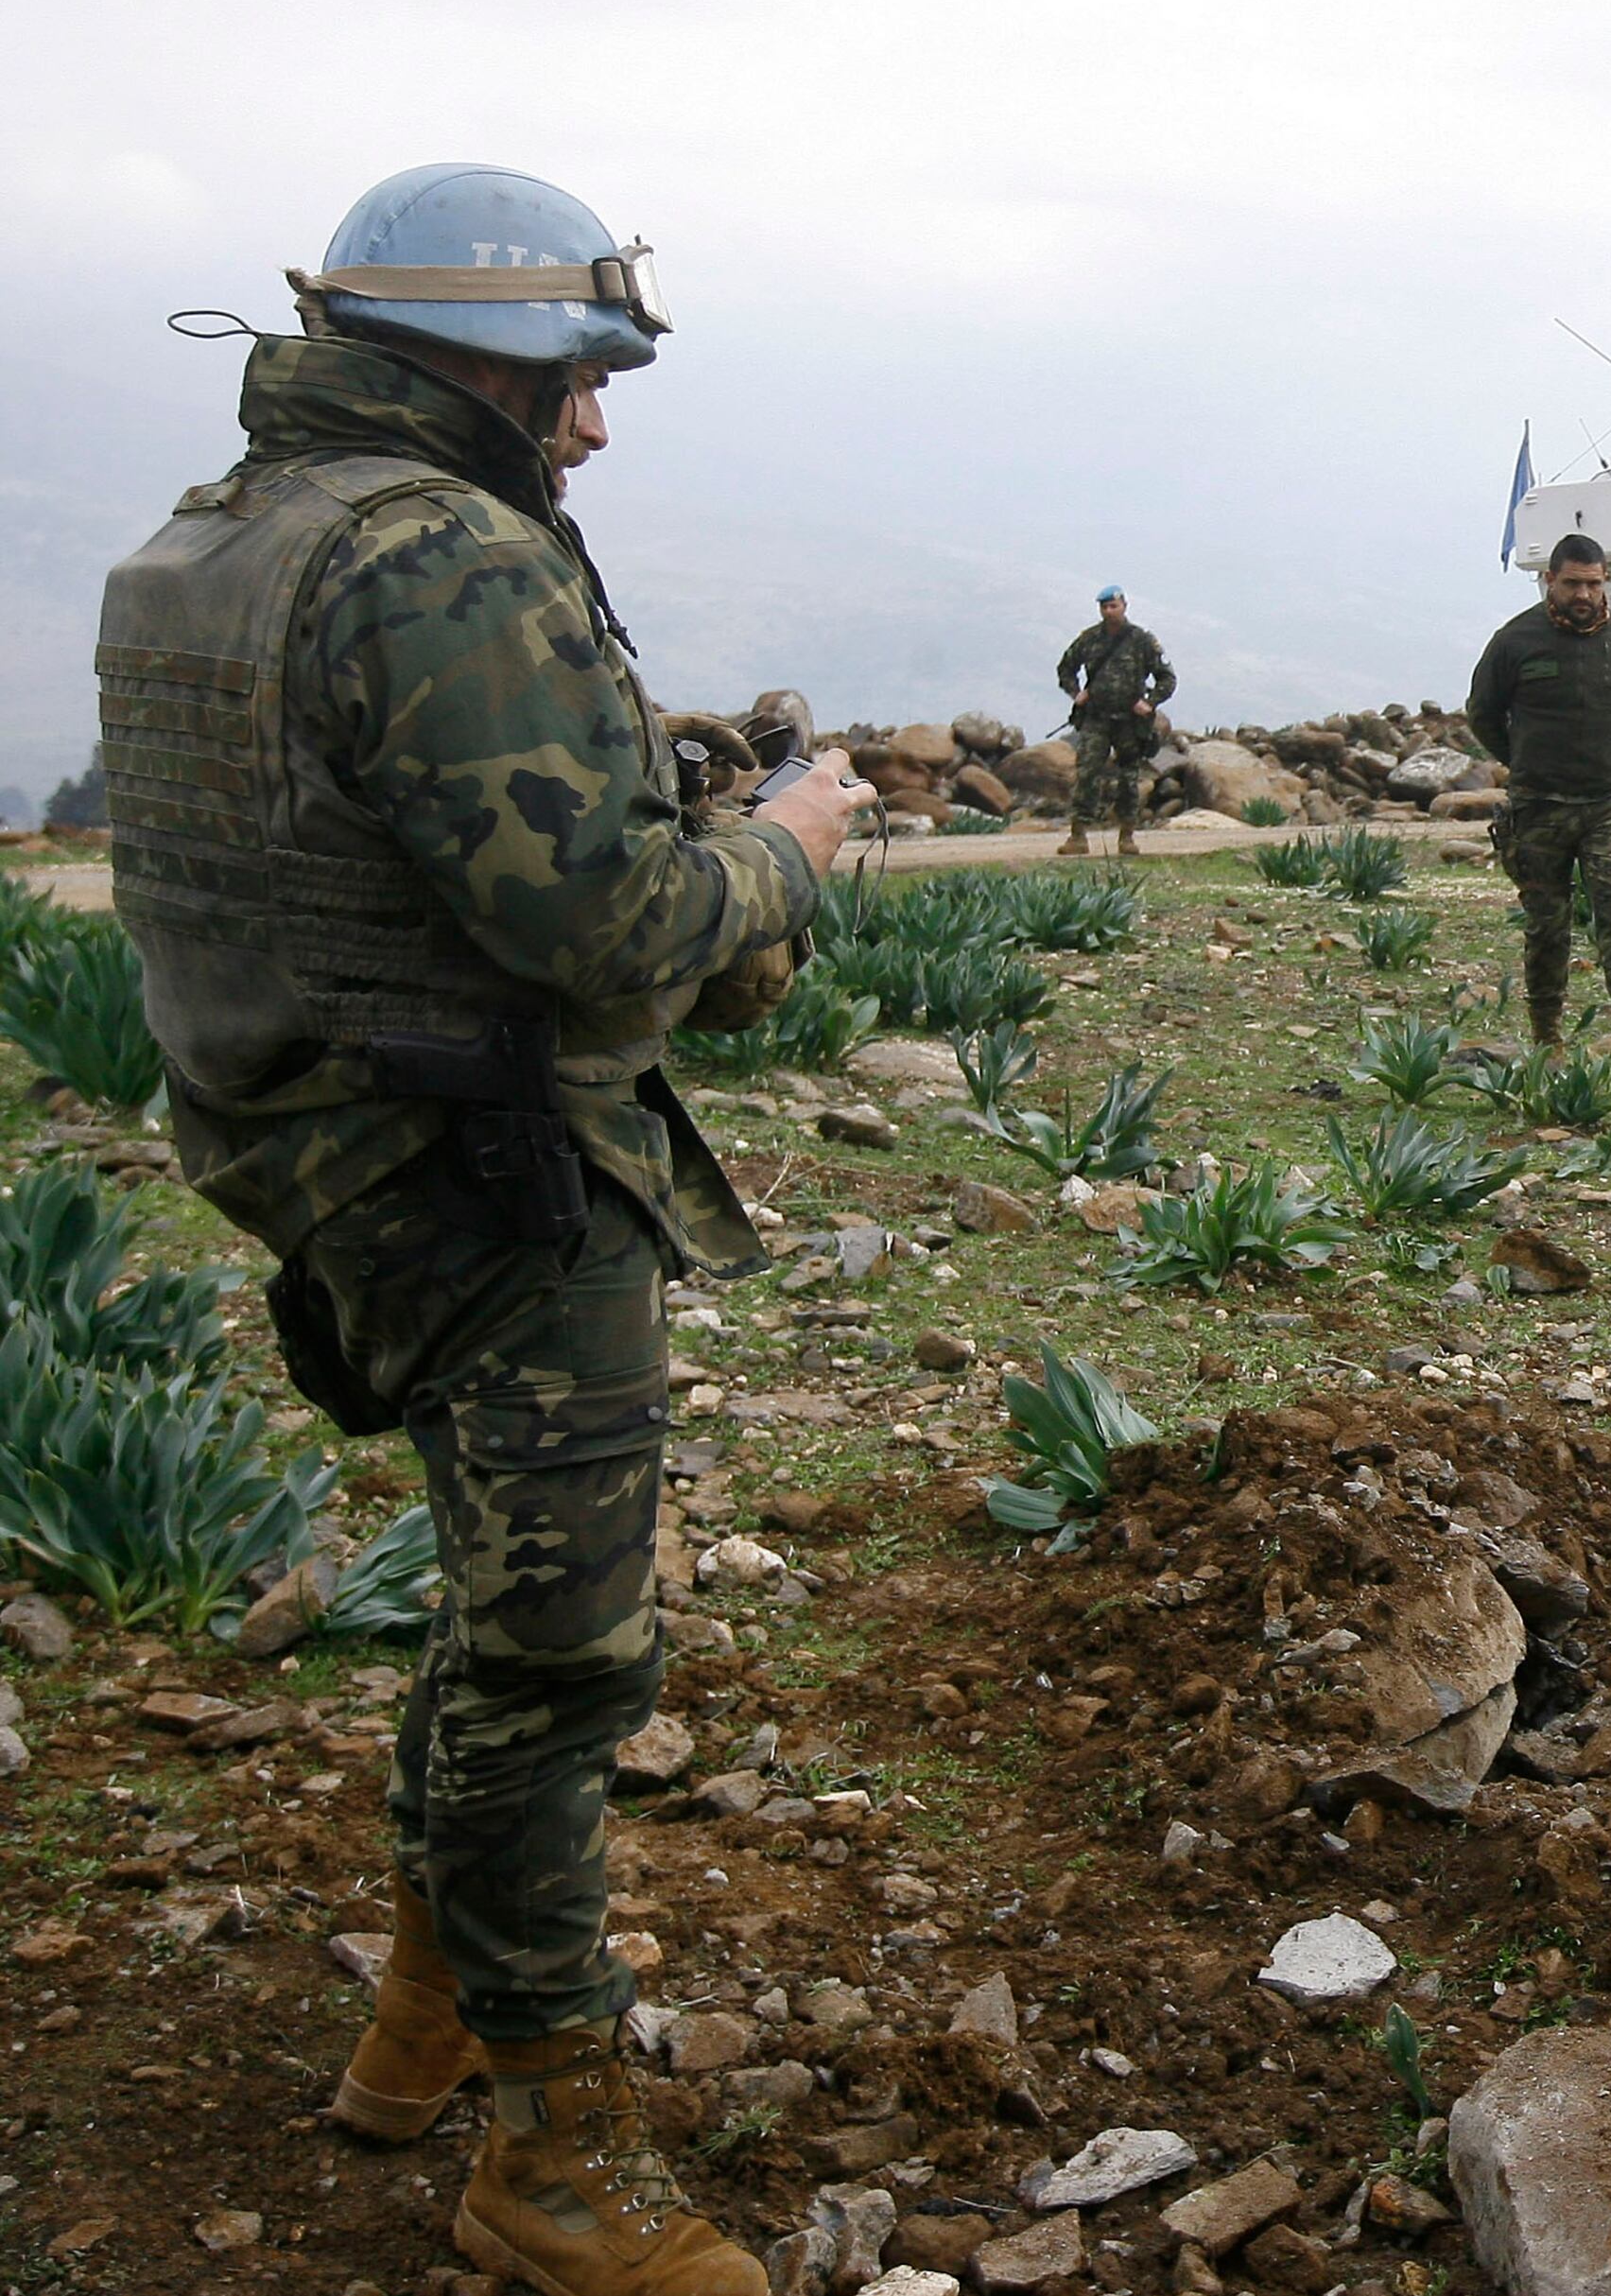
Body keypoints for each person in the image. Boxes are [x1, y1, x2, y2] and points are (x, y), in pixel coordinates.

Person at [96, 162, 874, 2296]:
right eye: (574, 378)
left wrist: (658, 773)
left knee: (499, 1587)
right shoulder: (436, 551)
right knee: (557, 1653)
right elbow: (613, 928)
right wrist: (794, 850)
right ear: (468, 362)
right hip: (478, 1172)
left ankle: (426, 2009)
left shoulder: (218, 537)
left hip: (318, 1146)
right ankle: (555, 2150)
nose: (598, 424)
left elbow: (359, 831)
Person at [1464, 531, 1611, 1085]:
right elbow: (1483, 714)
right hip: (1538, 808)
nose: (1583, 594)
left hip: (1610, 804)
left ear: (1604, 580)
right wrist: (1524, 762)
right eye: (1572, 584)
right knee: (1546, 926)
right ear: (1549, 581)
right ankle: (1547, 1041)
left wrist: (1603, 762)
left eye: (1592, 583)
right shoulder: (1515, 641)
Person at [1057, 585, 1173, 856]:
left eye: (1113, 606)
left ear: (1124, 606)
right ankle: (1078, 836)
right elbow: (1065, 668)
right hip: (1096, 719)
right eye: (1104, 607)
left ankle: (1127, 836)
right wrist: (1077, 693)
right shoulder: (1089, 639)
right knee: (1086, 774)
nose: (1109, 611)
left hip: (1130, 723)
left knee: (1128, 780)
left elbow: (1167, 678)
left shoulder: (1142, 640)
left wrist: (1150, 702)